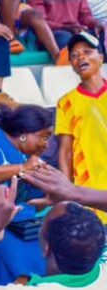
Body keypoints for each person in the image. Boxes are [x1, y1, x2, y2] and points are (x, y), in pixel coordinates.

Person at [0, 104, 51, 286]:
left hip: (26, 227)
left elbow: (35, 203)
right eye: (43, 137)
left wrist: (44, 185)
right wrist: (22, 169)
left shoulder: (32, 159)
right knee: (10, 258)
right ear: (25, 133)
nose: (46, 144)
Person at [55, 32, 107, 221]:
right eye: (75, 55)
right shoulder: (66, 102)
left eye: (87, 51)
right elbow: (65, 152)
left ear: (101, 57)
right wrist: (67, 192)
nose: (81, 57)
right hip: (88, 191)